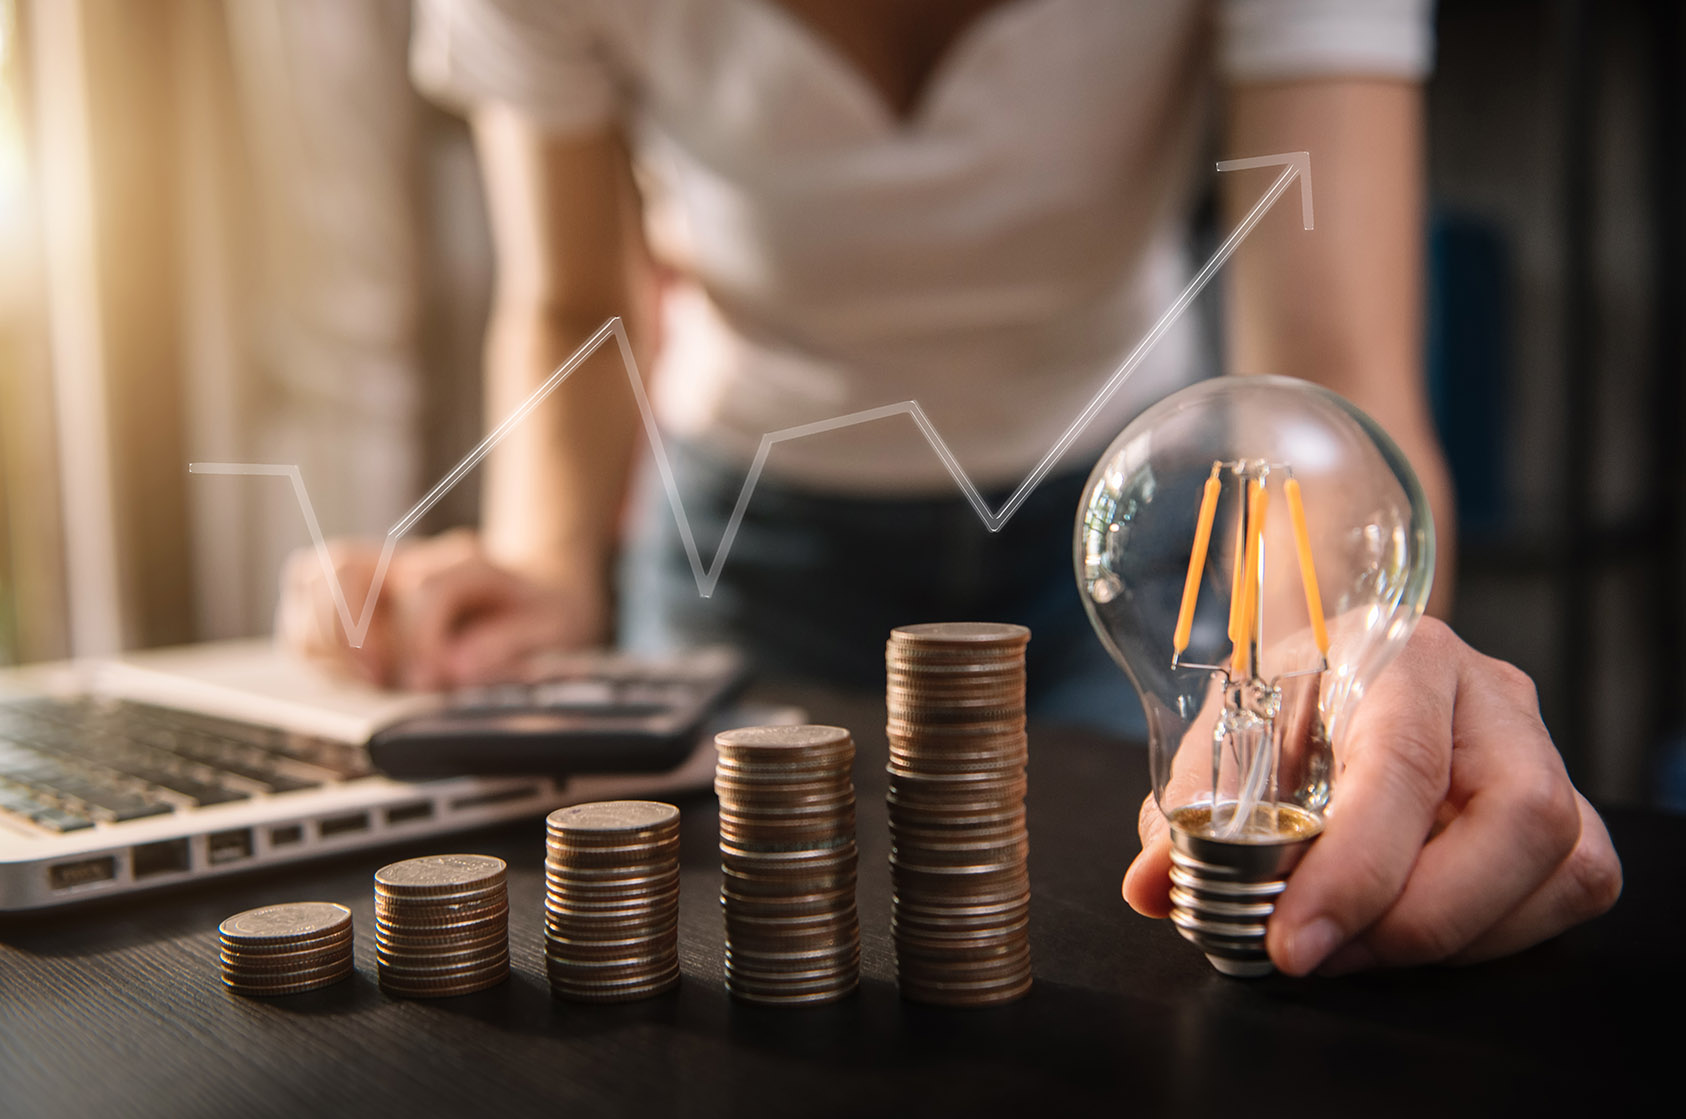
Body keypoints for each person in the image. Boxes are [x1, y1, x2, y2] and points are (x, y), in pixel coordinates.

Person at [279, 0, 1620, 973]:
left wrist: (1338, 665)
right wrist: (539, 565)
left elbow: (1328, 364)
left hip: (1123, 519)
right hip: (733, 537)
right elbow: (574, 295)